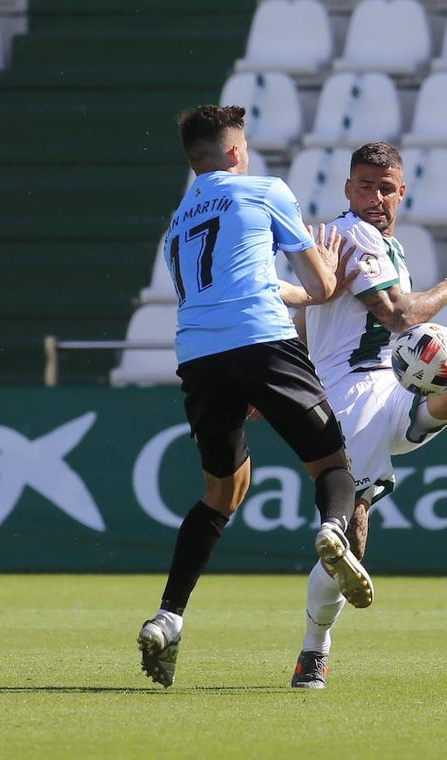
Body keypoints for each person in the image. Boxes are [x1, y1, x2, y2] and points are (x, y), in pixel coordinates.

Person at [287, 142, 447, 689]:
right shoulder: (352, 234)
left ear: (401, 191)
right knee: (350, 541)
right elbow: (401, 315)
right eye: (365, 186)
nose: (375, 198)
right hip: (352, 401)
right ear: (348, 189)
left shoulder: (387, 247)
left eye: (386, 188)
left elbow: (308, 322)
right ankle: (313, 651)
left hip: (394, 391)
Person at [136, 104, 371, 689]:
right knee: (333, 465)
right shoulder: (266, 191)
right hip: (263, 341)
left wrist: (289, 293)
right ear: (236, 152)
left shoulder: (177, 223)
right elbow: (321, 286)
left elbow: (227, 286)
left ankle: (168, 617)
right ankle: (333, 529)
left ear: (194, 162)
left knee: (221, 493)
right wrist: (327, 276)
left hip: (199, 357)